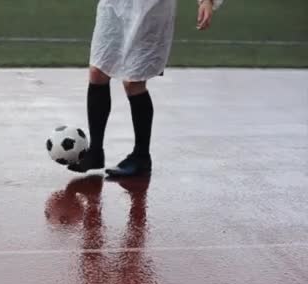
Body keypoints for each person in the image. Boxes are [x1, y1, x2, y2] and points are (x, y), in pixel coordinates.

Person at [68, 0, 224, 176]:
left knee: (134, 81)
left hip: (151, 9)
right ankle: (95, 152)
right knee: (98, 71)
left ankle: (141, 156)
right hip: (115, 5)